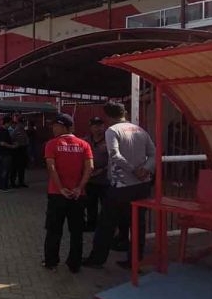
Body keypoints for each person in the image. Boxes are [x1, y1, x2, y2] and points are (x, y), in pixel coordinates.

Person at [84, 101, 155, 270]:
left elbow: (114, 155)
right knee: (138, 224)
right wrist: (145, 169)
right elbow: (154, 153)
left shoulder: (112, 131)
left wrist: (132, 170)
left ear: (108, 117)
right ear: (125, 114)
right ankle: (135, 261)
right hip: (142, 185)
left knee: (106, 224)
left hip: (121, 185)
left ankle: (97, 259)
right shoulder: (140, 130)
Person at [42, 113, 93, 273]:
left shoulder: (52, 144)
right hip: (78, 196)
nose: (53, 128)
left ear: (64, 126)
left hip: (57, 195)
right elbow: (89, 168)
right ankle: (74, 264)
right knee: (76, 231)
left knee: (54, 230)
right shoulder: (84, 145)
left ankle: (51, 262)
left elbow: (51, 167)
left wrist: (61, 188)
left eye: (55, 125)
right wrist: (79, 188)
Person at [84, 116, 109, 231]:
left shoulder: (110, 140)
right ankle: (91, 224)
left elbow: (114, 159)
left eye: (100, 126)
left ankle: (105, 226)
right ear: (91, 128)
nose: (98, 128)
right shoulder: (85, 141)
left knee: (106, 205)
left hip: (105, 180)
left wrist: (102, 170)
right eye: (95, 126)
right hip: (90, 179)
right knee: (90, 204)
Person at [0, 116, 17, 192]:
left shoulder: (4, 131)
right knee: (4, 170)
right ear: (7, 123)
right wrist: (12, 146)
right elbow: (2, 143)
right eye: (9, 123)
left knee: (6, 170)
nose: (10, 125)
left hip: (5, 153)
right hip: (5, 153)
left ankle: (4, 185)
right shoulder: (3, 131)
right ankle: (2, 186)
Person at [10, 118, 29, 188]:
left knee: (22, 167)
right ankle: (13, 182)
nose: (24, 125)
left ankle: (21, 182)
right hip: (17, 150)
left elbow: (27, 140)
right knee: (15, 168)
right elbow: (11, 139)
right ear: (20, 123)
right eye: (23, 123)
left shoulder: (24, 131)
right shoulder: (16, 131)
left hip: (23, 150)